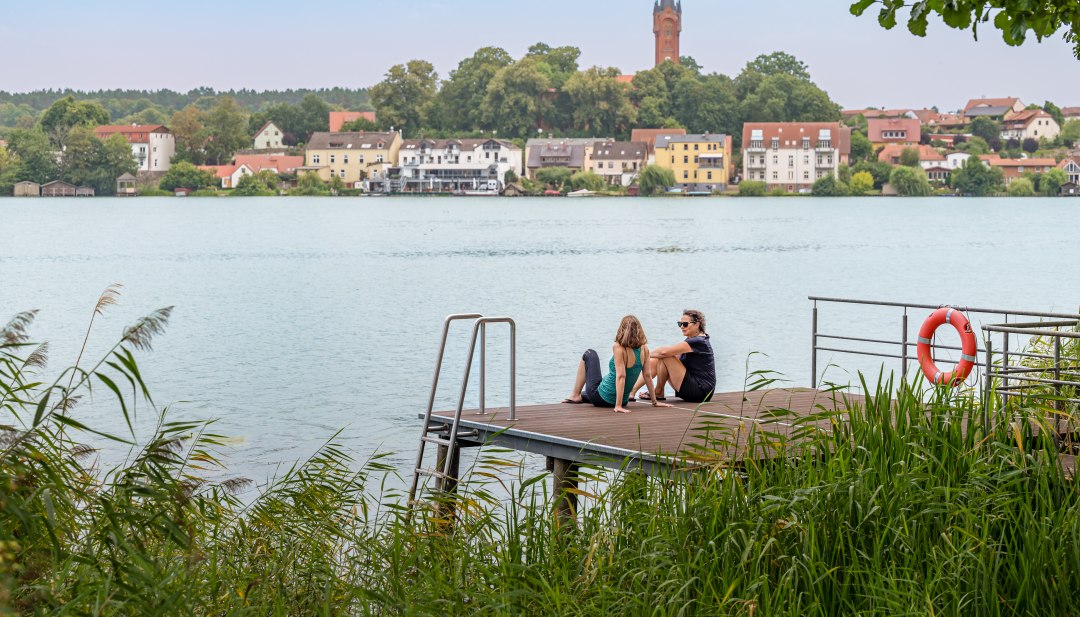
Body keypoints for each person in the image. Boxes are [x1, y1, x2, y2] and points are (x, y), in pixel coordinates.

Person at [562, 315, 671, 413]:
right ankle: (579, 396)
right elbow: (647, 375)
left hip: (603, 398)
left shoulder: (618, 347)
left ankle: (575, 395)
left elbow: (621, 376)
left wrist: (618, 406)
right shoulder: (644, 349)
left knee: (590, 353)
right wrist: (654, 402)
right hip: (623, 400)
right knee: (586, 394)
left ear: (622, 330)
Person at [632, 309, 716, 403]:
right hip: (694, 387)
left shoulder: (698, 341)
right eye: (680, 324)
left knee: (666, 356)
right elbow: (671, 355)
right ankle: (632, 391)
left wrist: (639, 356)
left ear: (697, 324)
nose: (682, 327)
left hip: (701, 392)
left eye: (685, 324)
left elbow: (664, 353)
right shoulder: (693, 340)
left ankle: (658, 391)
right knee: (656, 360)